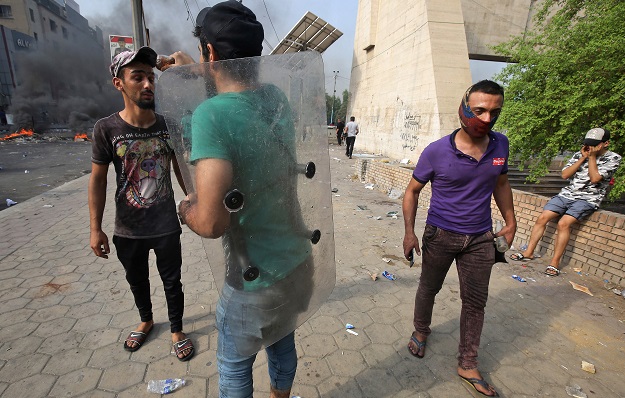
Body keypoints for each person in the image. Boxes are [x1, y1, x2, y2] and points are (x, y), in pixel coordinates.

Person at [172, 2, 316, 397]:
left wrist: (185, 209)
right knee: (282, 337)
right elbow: (234, 105)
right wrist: (201, 70)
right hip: (299, 262)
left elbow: (214, 222)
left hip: (256, 279)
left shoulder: (210, 117)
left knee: (234, 364)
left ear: (212, 54)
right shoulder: (274, 99)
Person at [402, 80, 516, 397]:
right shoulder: (437, 151)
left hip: (481, 238)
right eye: (479, 110)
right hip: (440, 234)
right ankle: (421, 331)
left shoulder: (501, 146)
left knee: (475, 302)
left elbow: (501, 184)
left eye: (494, 112)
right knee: (429, 287)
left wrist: (511, 220)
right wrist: (409, 232)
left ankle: (467, 362)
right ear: (464, 107)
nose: (486, 118)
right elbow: (412, 191)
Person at [88, 47, 194, 361]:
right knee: (137, 280)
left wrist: (191, 201)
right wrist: (95, 229)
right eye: (138, 77)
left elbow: (179, 167)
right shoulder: (106, 129)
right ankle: (146, 320)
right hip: (127, 229)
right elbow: (97, 180)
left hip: (165, 225)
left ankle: (177, 329)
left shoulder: (168, 124)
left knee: (172, 281)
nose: (148, 84)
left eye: (151, 77)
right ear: (119, 83)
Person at [509, 128, 621, 276]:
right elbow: (565, 174)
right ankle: (529, 252)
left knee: (563, 223)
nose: (590, 148)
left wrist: (592, 157)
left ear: (605, 144)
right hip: (567, 195)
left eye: (594, 144)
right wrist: (583, 158)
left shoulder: (613, 158)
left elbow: (595, 178)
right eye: (588, 144)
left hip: (588, 198)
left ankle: (554, 262)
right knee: (543, 217)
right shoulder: (580, 154)